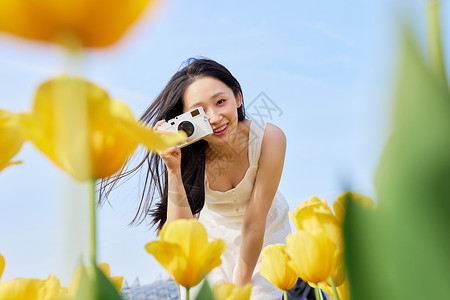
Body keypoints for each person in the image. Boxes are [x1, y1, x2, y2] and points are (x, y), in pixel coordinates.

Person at [101, 58, 291, 299]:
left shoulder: (269, 138)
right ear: (184, 119)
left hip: (265, 237)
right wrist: (173, 169)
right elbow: (181, 231)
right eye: (198, 112)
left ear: (238, 98)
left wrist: (238, 290)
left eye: (221, 102)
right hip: (214, 243)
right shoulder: (190, 156)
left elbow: (254, 223)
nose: (213, 117)